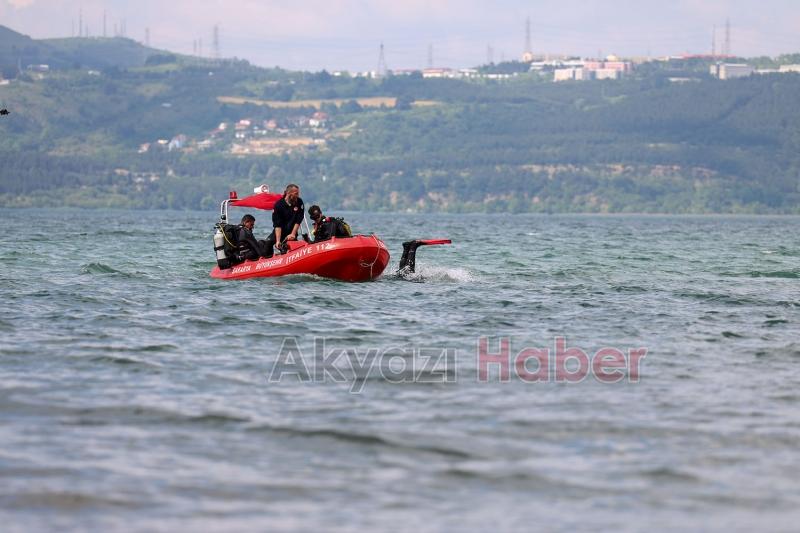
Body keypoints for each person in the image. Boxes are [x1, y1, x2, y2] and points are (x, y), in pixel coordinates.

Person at [265, 184, 305, 256]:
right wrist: (278, 241)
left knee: (289, 247)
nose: (298, 196)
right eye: (296, 194)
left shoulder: (299, 202)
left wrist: (293, 234)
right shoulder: (278, 205)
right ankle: (267, 260)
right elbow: (277, 225)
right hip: (280, 232)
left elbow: (298, 220)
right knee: (268, 242)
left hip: (291, 232)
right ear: (289, 193)